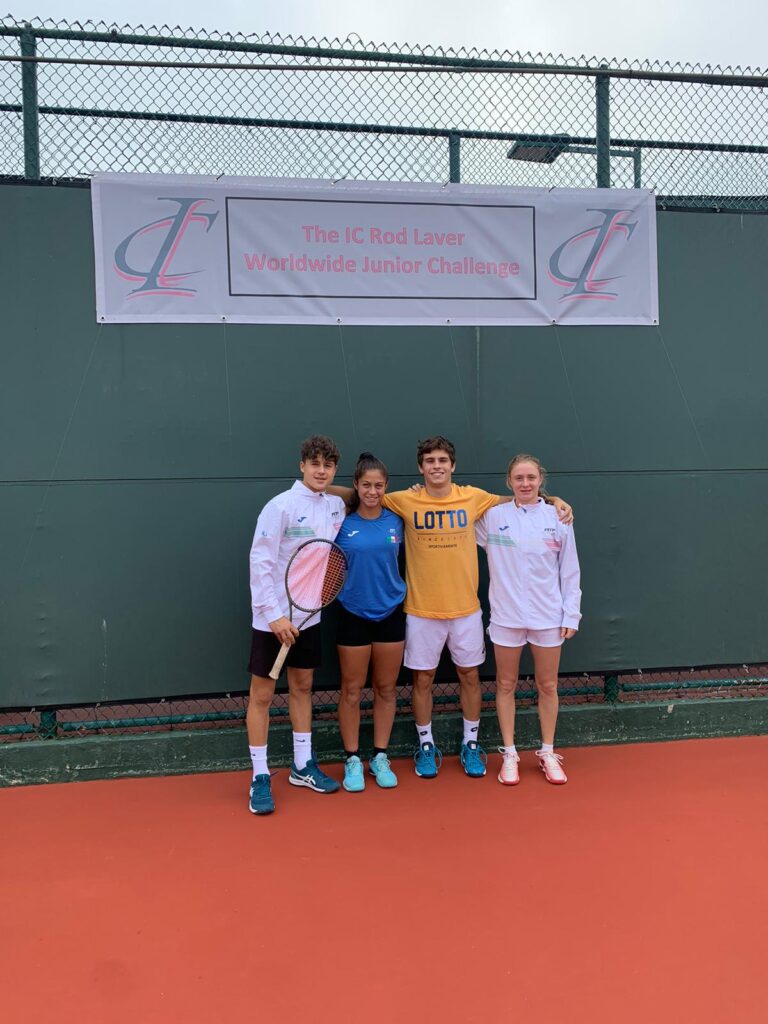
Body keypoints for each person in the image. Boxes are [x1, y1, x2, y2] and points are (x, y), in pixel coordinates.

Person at [331, 435, 572, 781]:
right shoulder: (403, 500)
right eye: (430, 461)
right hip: (421, 610)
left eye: (442, 460)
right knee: (423, 679)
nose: (437, 466)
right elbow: (362, 494)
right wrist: (325, 488)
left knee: (470, 677)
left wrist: (553, 499)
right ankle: (426, 745)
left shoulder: (473, 497)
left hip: (466, 610)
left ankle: (470, 744)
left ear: (453, 465)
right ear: (421, 467)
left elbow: (519, 499)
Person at [246, 435, 346, 815]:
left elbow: (358, 495)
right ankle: (259, 775)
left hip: (310, 615)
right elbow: (260, 562)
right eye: (314, 463)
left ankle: (302, 766)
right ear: (301, 465)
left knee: (302, 688)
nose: (321, 471)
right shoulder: (279, 506)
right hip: (271, 620)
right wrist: (274, 616)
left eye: (328, 465)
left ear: (334, 470)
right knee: (262, 696)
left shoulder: (336, 506)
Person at [475, 453, 581, 786]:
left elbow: (570, 570)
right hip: (506, 616)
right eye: (519, 478)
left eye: (531, 478)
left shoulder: (558, 517)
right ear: (509, 482)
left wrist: (571, 613)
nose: (525, 484)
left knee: (547, 685)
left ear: (540, 480)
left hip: (548, 616)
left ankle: (548, 752)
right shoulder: (491, 517)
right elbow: (454, 509)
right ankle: (509, 754)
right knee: (505, 685)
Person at [334, 453, 406, 793]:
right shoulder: (341, 523)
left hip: (391, 612)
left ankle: (380, 756)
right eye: (366, 485)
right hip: (352, 613)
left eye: (378, 485)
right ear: (356, 486)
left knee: (386, 689)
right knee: (351, 689)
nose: (372, 491)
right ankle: (352, 759)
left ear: (386, 487)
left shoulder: (398, 520)